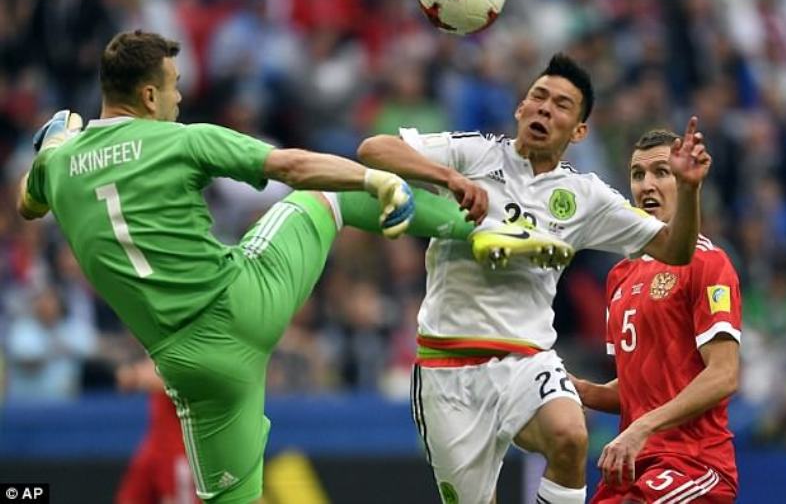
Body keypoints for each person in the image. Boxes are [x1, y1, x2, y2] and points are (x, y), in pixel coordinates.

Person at [15, 29, 564, 503]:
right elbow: (294, 166)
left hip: (190, 368)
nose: (180, 97)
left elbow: (27, 205)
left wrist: (57, 141)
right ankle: (484, 228)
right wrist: (373, 179)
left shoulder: (55, 166)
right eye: (175, 85)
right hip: (243, 300)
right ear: (149, 94)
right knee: (327, 196)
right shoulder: (183, 140)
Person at [357, 53, 712, 504]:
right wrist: (447, 177)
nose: (545, 108)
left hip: (527, 359)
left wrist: (689, 189)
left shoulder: (585, 195)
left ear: (578, 131)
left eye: (562, 105)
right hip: (448, 365)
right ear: (520, 109)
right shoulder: (475, 154)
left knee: (570, 435)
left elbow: (675, 250)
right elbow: (373, 149)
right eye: (538, 97)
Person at [571, 129, 741, 503]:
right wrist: (582, 390)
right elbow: (638, 388)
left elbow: (724, 374)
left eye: (661, 172)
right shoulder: (620, 276)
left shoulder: (708, 263)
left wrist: (642, 427)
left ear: (684, 182)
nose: (646, 184)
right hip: (634, 465)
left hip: (694, 464)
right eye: (638, 174)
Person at [116, 357, 199, 504]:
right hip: (154, 446)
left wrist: (135, 374)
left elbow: (179, 378)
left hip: (179, 451)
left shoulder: (192, 352)